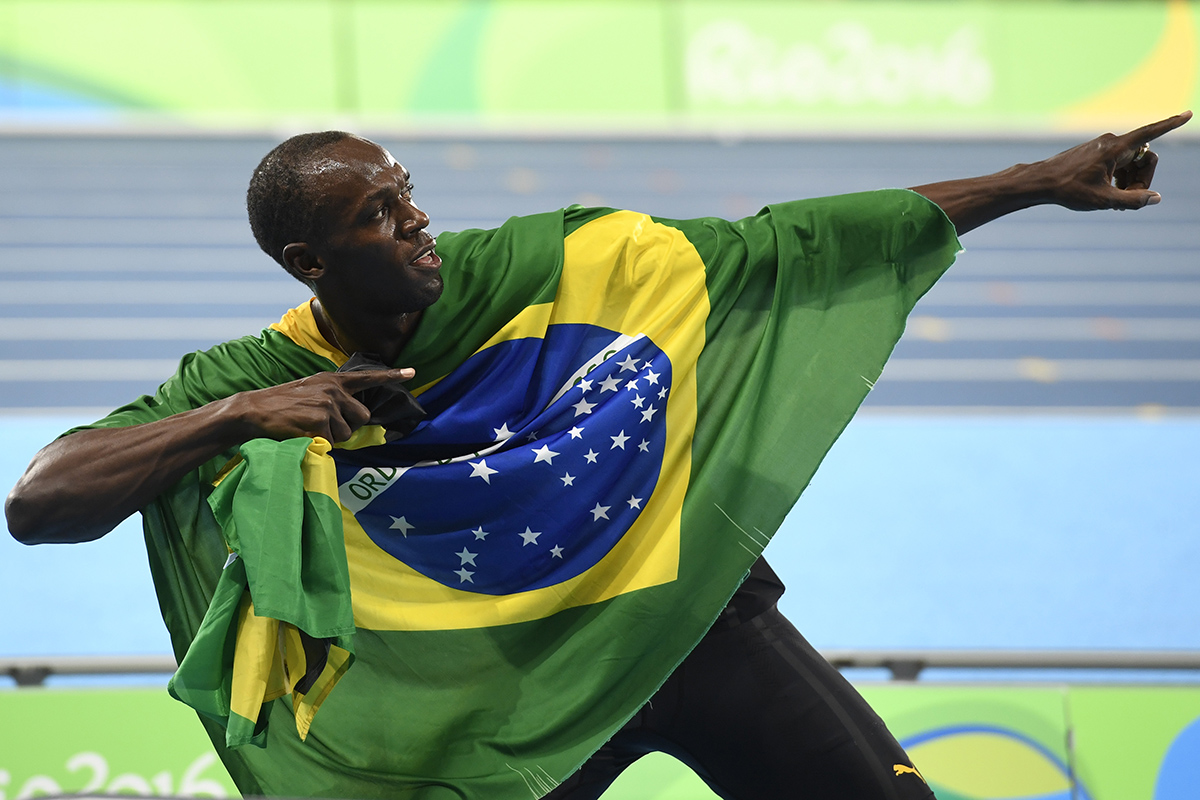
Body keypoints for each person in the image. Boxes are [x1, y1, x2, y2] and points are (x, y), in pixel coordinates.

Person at [6, 111, 1191, 800]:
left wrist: (1037, 181)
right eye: (378, 214)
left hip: (692, 625)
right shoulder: (261, 372)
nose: (417, 221)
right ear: (309, 263)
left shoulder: (542, 264)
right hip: (515, 684)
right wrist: (237, 418)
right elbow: (43, 496)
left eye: (407, 193)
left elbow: (787, 243)